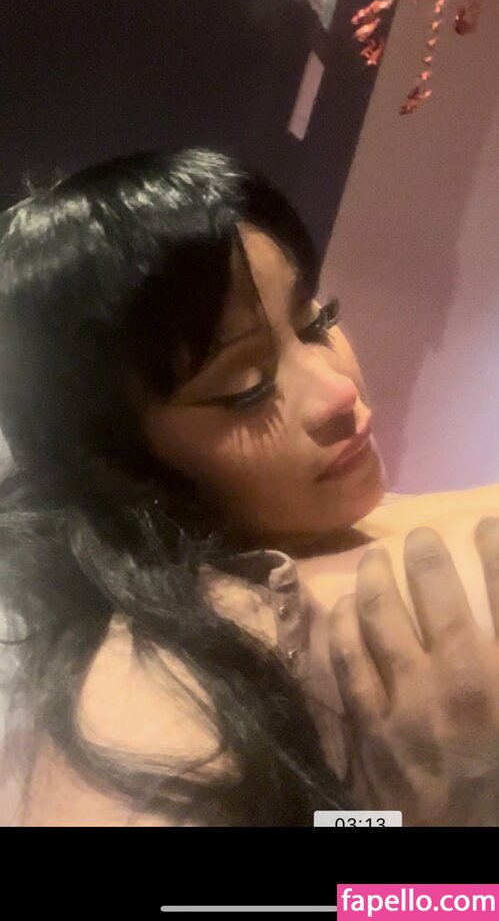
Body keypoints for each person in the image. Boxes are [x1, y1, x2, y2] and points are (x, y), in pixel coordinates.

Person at [0, 147, 497, 826]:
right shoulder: (147, 711)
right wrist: (425, 813)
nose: (337, 391)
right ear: (118, 461)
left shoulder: (330, 520)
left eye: (316, 324)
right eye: (246, 387)